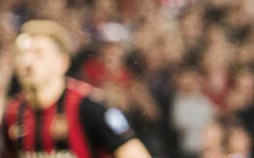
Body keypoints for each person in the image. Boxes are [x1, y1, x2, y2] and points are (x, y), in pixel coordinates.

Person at [2, 21, 155, 158]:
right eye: (22, 54)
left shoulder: (89, 106)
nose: (27, 62)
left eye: (38, 53)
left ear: (62, 62)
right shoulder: (13, 113)